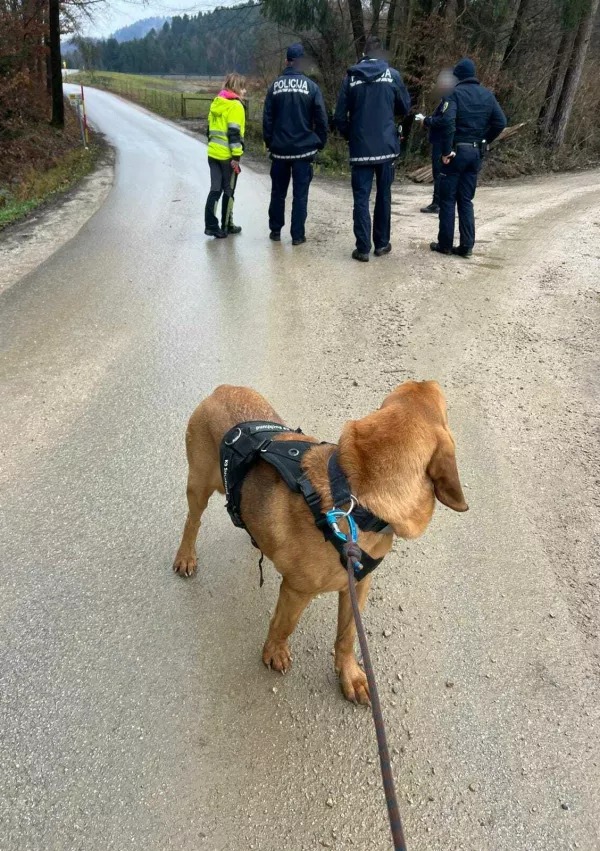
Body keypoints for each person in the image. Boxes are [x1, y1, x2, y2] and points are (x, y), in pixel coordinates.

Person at [334, 35, 411, 262]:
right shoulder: (393, 75)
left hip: (360, 149)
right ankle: (382, 244)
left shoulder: (351, 78)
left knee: (361, 197)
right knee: (384, 195)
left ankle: (362, 248)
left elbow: (339, 117)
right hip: (386, 147)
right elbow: (405, 106)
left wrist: (352, 135)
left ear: (364, 54)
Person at [430, 58, 506, 257]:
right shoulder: (487, 95)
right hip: (475, 153)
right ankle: (467, 247)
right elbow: (500, 122)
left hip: (456, 153)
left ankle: (445, 245)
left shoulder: (453, 94)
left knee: (447, 200)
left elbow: (447, 122)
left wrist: (446, 151)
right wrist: (484, 140)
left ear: (458, 77)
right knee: (465, 200)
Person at [263, 43, 328, 245]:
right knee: (300, 195)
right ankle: (297, 236)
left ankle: (275, 230)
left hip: (280, 150)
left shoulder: (274, 86)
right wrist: (319, 142)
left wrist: (271, 142)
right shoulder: (311, 87)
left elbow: (267, 120)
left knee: (278, 193)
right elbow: (322, 120)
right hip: (303, 151)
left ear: (286, 61)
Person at [204, 72, 246, 239]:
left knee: (215, 189)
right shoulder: (236, 106)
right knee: (229, 190)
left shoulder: (216, 103)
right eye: (243, 87)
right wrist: (236, 158)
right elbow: (234, 134)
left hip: (213, 153)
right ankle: (227, 224)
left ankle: (211, 226)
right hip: (227, 156)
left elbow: (209, 130)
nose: (244, 91)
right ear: (236, 87)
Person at [416, 69, 456, 214]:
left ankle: (437, 203)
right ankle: (439, 201)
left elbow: (444, 121)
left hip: (441, 141)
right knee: (440, 173)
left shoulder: (449, 99)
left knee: (439, 173)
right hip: (442, 140)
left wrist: (427, 120)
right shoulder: (450, 98)